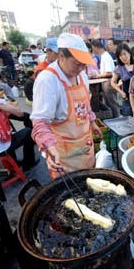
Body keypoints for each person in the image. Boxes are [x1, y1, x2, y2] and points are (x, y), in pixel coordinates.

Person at [31, 33, 102, 179]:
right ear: (61, 56)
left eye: (84, 64)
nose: (82, 68)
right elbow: (40, 122)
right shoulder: (48, 80)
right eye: (77, 63)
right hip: (64, 156)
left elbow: (86, 104)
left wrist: (92, 122)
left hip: (85, 149)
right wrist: (49, 149)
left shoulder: (81, 75)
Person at [91, 39, 118, 117]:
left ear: (95, 47)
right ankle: (114, 118)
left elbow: (109, 73)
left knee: (112, 103)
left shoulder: (106, 56)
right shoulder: (104, 56)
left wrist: (98, 76)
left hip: (108, 82)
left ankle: (117, 118)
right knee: (109, 102)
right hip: (107, 82)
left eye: (93, 48)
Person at [110, 44, 134, 116]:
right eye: (120, 55)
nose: (123, 57)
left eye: (124, 54)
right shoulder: (119, 68)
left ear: (129, 53)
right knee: (128, 120)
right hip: (126, 99)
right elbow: (112, 82)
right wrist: (121, 92)